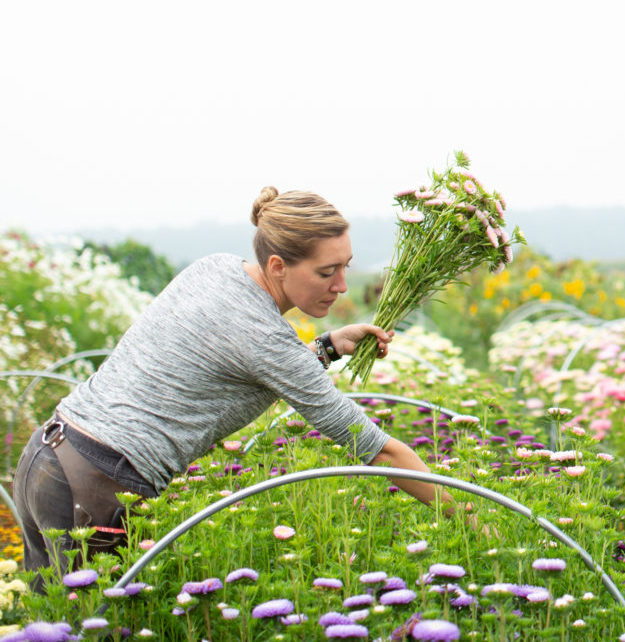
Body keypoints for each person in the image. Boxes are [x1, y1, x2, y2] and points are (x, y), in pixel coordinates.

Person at [12, 187, 454, 576]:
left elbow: (241, 360)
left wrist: (328, 347)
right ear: (278, 265)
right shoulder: (266, 339)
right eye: (326, 272)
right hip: (97, 487)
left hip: (49, 457)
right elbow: (378, 449)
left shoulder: (216, 268)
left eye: (346, 266)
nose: (341, 285)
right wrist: (471, 518)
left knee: (50, 626)